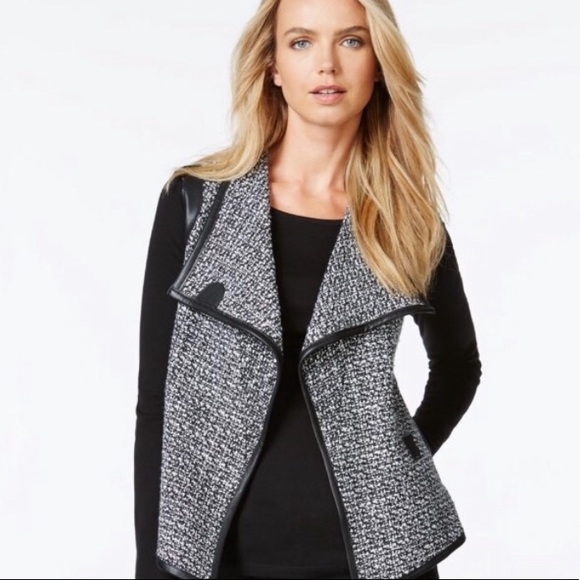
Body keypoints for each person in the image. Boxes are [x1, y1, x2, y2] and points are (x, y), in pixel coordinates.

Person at [133, 0, 482, 578]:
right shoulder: (196, 202)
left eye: (351, 41)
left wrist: (388, 470)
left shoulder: (407, 224)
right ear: (272, 65)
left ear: (379, 63)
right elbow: (157, 404)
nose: (326, 64)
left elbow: (458, 368)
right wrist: (153, 566)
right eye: (301, 42)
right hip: (226, 555)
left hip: (380, 560)